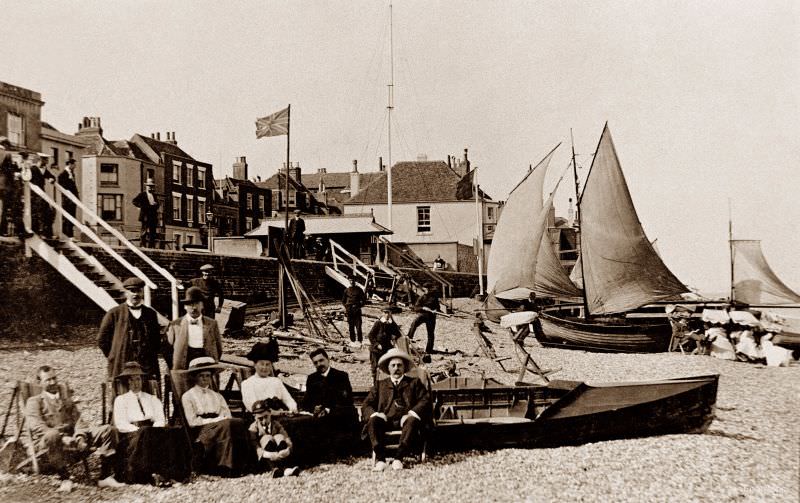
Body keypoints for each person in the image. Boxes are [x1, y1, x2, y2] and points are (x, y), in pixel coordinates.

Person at [25, 365, 123, 490]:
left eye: (54, 378)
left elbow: (78, 421)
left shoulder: (66, 400)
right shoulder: (34, 401)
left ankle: (105, 477)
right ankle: (64, 478)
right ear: (39, 382)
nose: (53, 382)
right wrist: (62, 437)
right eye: (48, 380)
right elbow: (37, 426)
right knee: (52, 435)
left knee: (108, 430)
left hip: (73, 437)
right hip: (49, 442)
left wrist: (80, 437)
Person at [112, 362, 191, 485]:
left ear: (142, 380)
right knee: (146, 432)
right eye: (132, 380)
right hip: (131, 436)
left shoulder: (152, 399)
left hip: (152, 431)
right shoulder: (121, 400)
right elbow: (121, 424)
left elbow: (160, 419)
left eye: (138, 379)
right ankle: (150, 474)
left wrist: (154, 430)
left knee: (175, 431)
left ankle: (174, 474)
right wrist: (139, 431)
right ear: (127, 382)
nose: (135, 383)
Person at [180, 357, 252, 477]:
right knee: (227, 425)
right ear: (194, 377)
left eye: (208, 376)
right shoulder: (188, 396)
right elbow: (192, 422)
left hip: (221, 426)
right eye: (201, 375)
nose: (205, 379)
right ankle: (225, 466)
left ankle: (241, 464)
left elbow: (227, 414)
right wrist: (217, 420)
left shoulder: (217, 396)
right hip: (202, 430)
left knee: (238, 422)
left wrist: (221, 420)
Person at [362, 348, 430, 471]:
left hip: (406, 422)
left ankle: (399, 458)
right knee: (372, 421)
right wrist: (376, 414)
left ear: (404, 367)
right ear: (388, 368)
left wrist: (411, 413)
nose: (396, 368)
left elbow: (425, 400)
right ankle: (381, 459)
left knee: (412, 420)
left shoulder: (414, 383)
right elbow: (366, 404)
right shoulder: (380, 384)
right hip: (386, 421)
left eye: (399, 365)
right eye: (393, 365)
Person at [98, 277, 162, 381]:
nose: (135, 294)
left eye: (139, 291)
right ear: (126, 293)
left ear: (142, 293)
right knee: (122, 392)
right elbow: (102, 339)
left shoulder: (150, 314)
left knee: (146, 392)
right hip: (122, 363)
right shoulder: (114, 313)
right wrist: (114, 354)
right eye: (132, 291)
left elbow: (156, 340)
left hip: (146, 365)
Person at [301, 348, 357, 426]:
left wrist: (328, 410)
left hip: (339, 418)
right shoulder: (312, 378)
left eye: (321, 360)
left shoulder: (341, 376)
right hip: (319, 420)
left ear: (328, 359)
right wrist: (314, 408)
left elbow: (348, 401)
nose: (319, 364)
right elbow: (305, 402)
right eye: (315, 363)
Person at [241, 342, 297, 413]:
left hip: (279, 417)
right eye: (262, 364)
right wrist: (273, 412)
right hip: (259, 419)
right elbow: (253, 407)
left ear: (271, 366)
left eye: (267, 364)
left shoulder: (276, 381)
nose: (264, 367)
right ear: (255, 365)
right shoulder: (247, 384)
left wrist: (293, 408)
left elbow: (288, 399)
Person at [248, 399, 299, 477]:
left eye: (266, 417)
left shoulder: (276, 424)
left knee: (279, 436)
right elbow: (254, 444)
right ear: (254, 417)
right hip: (266, 457)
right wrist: (265, 454)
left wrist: (288, 449)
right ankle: (273, 468)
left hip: (279, 454)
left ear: (270, 413)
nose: (264, 421)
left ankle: (286, 468)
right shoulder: (253, 428)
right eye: (260, 419)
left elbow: (286, 437)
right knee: (266, 438)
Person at [367, 304, 402, 381]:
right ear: (382, 313)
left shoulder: (391, 324)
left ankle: (385, 381)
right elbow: (370, 335)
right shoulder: (378, 323)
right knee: (375, 366)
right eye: (385, 312)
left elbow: (398, 333)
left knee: (387, 365)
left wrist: (394, 336)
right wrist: (377, 344)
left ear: (390, 314)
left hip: (386, 348)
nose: (386, 314)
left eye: (388, 313)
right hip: (376, 349)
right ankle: (375, 382)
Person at [406, 287, 441, 354]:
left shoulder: (434, 298)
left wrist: (436, 310)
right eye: (425, 290)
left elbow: (438, 308)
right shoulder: (421, 297)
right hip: (423, 315)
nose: (426, 291)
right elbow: (416, 308)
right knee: (414, 322)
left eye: (427, 289)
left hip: (431, 317)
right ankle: (409, 337)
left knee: (431, 333)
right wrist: (423, 308)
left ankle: (429, 349)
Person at [29, 153, 56, 237]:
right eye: (46, 160)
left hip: (42, 194)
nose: (47, 161)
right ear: (41, 160)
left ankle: (48, 233)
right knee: (36, 213)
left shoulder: (44, 169)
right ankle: (36, 232)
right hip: (34, 194)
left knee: (48, 212)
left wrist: (52, 179)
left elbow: (51, 176)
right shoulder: (33, 169)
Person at [132, 178, 159, 248]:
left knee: (153, 232)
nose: (150, 187)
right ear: (146, 186)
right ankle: (143, 245)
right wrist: (141, 206)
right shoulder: (142, 194)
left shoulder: (154, 195)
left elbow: (158, 205)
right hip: (145, 216)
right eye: (149, 186)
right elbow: (134, 201)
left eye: (152, 186)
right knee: (144, 231)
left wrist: (156, 204)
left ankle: (151, 246)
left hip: (153, 216)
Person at [57, 158, 79, 239]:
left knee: (72, 216)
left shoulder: (72, 174)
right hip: (67, 199)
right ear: (69, 164)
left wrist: (76, 197)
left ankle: (70, 234)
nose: (75, 166)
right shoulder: (63, 174)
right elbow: (62, 185)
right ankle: (67, 234)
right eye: (74, 164)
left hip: (72, 199)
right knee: (67, 216)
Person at [341, 276, 367, 346]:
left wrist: (359, 306)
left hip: (357, 310)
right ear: (349, 281)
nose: (352, 282)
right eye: (350, 280)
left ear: (355, 281)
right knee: (351, 327)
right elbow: (343, 301)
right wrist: (347, 307)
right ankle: (352, 341)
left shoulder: (359, 290)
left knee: (358, 327)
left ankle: (360, 341)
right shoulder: (346, 290)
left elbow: (364, 300)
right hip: (349, 311)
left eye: (353, 280)